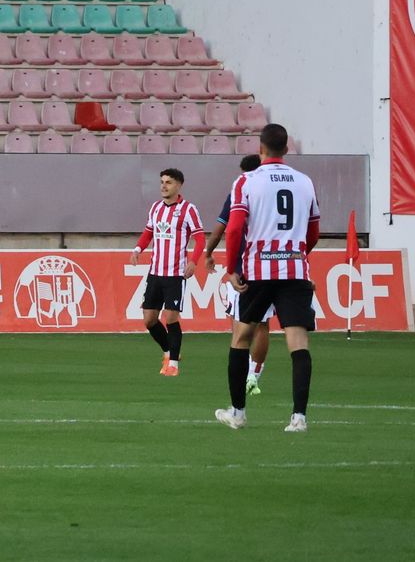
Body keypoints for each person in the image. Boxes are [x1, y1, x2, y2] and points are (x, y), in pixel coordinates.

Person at [216, 124, 320, 434]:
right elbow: (313, 230)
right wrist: (298, 253)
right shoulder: (305, 182)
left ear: (260, 148)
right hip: (294, 270)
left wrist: (231, 268)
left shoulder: (247, 181)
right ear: (287, 149)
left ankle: (237, 412)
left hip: (258, 271)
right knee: (298, 342)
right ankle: (298, 418)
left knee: (241, 338)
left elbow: (234, 228)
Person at [202, 155, 271, 395]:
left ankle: (240, 377)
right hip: (270, 268)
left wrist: (209, 252)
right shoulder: (273, 193)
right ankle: (254, 374)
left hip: (243, 268)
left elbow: (224, 227)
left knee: (239, 323)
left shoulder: (239, 192)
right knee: (262, 324)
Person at [130, 168, 204, 378]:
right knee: (149, 320)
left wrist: (193, 262)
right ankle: (168, 351)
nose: (163, 186)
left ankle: (173, 364)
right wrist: (137, 249)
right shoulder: (155, 208)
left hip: (175, 273)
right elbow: (148, 232)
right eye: (162, 182)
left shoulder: (188, 209)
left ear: (179, 185)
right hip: (155, 272)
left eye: (168, 182)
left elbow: (199, 238)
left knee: (171, 317)